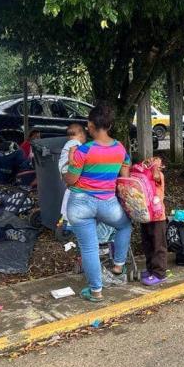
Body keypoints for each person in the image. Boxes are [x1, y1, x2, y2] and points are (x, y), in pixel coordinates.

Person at [64, 104, 132, 302]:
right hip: (107, 202)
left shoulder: (83, 150)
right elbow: (125, 173)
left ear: (90, 125)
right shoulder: (119, 148)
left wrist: (70, 161)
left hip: (80, 204)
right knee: (124, 225)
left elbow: (71, 180)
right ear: (109, 125)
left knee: (89, 248)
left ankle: (96, 292)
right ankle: (118, 265)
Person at [139, 156, 169, 286]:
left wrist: (155, 168)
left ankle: (159, 273)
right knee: (147, 243)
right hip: (146, 215)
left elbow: (156, 177)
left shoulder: (158, 176)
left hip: (158, 217)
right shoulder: (144, 176)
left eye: (156, 163)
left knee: (158, 245)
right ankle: (150, 268)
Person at [58, 123, 87, 224]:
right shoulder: (75, 143)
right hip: (67, 167)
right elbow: (72, 151)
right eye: (84, 137)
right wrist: (71, 160)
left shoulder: (69, 142)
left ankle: (66, 217)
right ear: (81, 135)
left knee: (69, 189)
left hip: (62, 168)